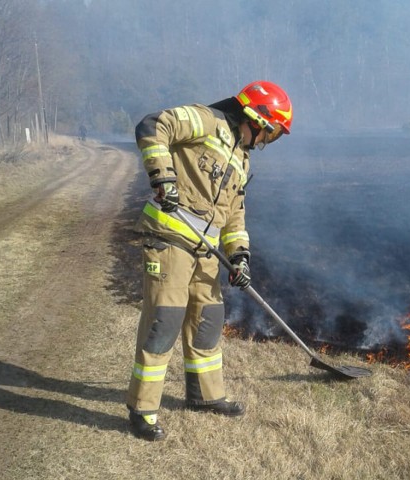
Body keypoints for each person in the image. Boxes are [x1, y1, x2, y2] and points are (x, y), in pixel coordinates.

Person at [126, 81, 293, 441]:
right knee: (164, 321)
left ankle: (205, 394)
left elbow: (235, 216)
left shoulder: (241, 158)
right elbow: (154, 125)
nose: (265, 141)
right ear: (255, 116)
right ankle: (142, 409)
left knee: (208, 320)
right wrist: (163, 176)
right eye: (268, 132)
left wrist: (240, 257)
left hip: (206, 252)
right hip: (170, 238)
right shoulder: (206, 120)